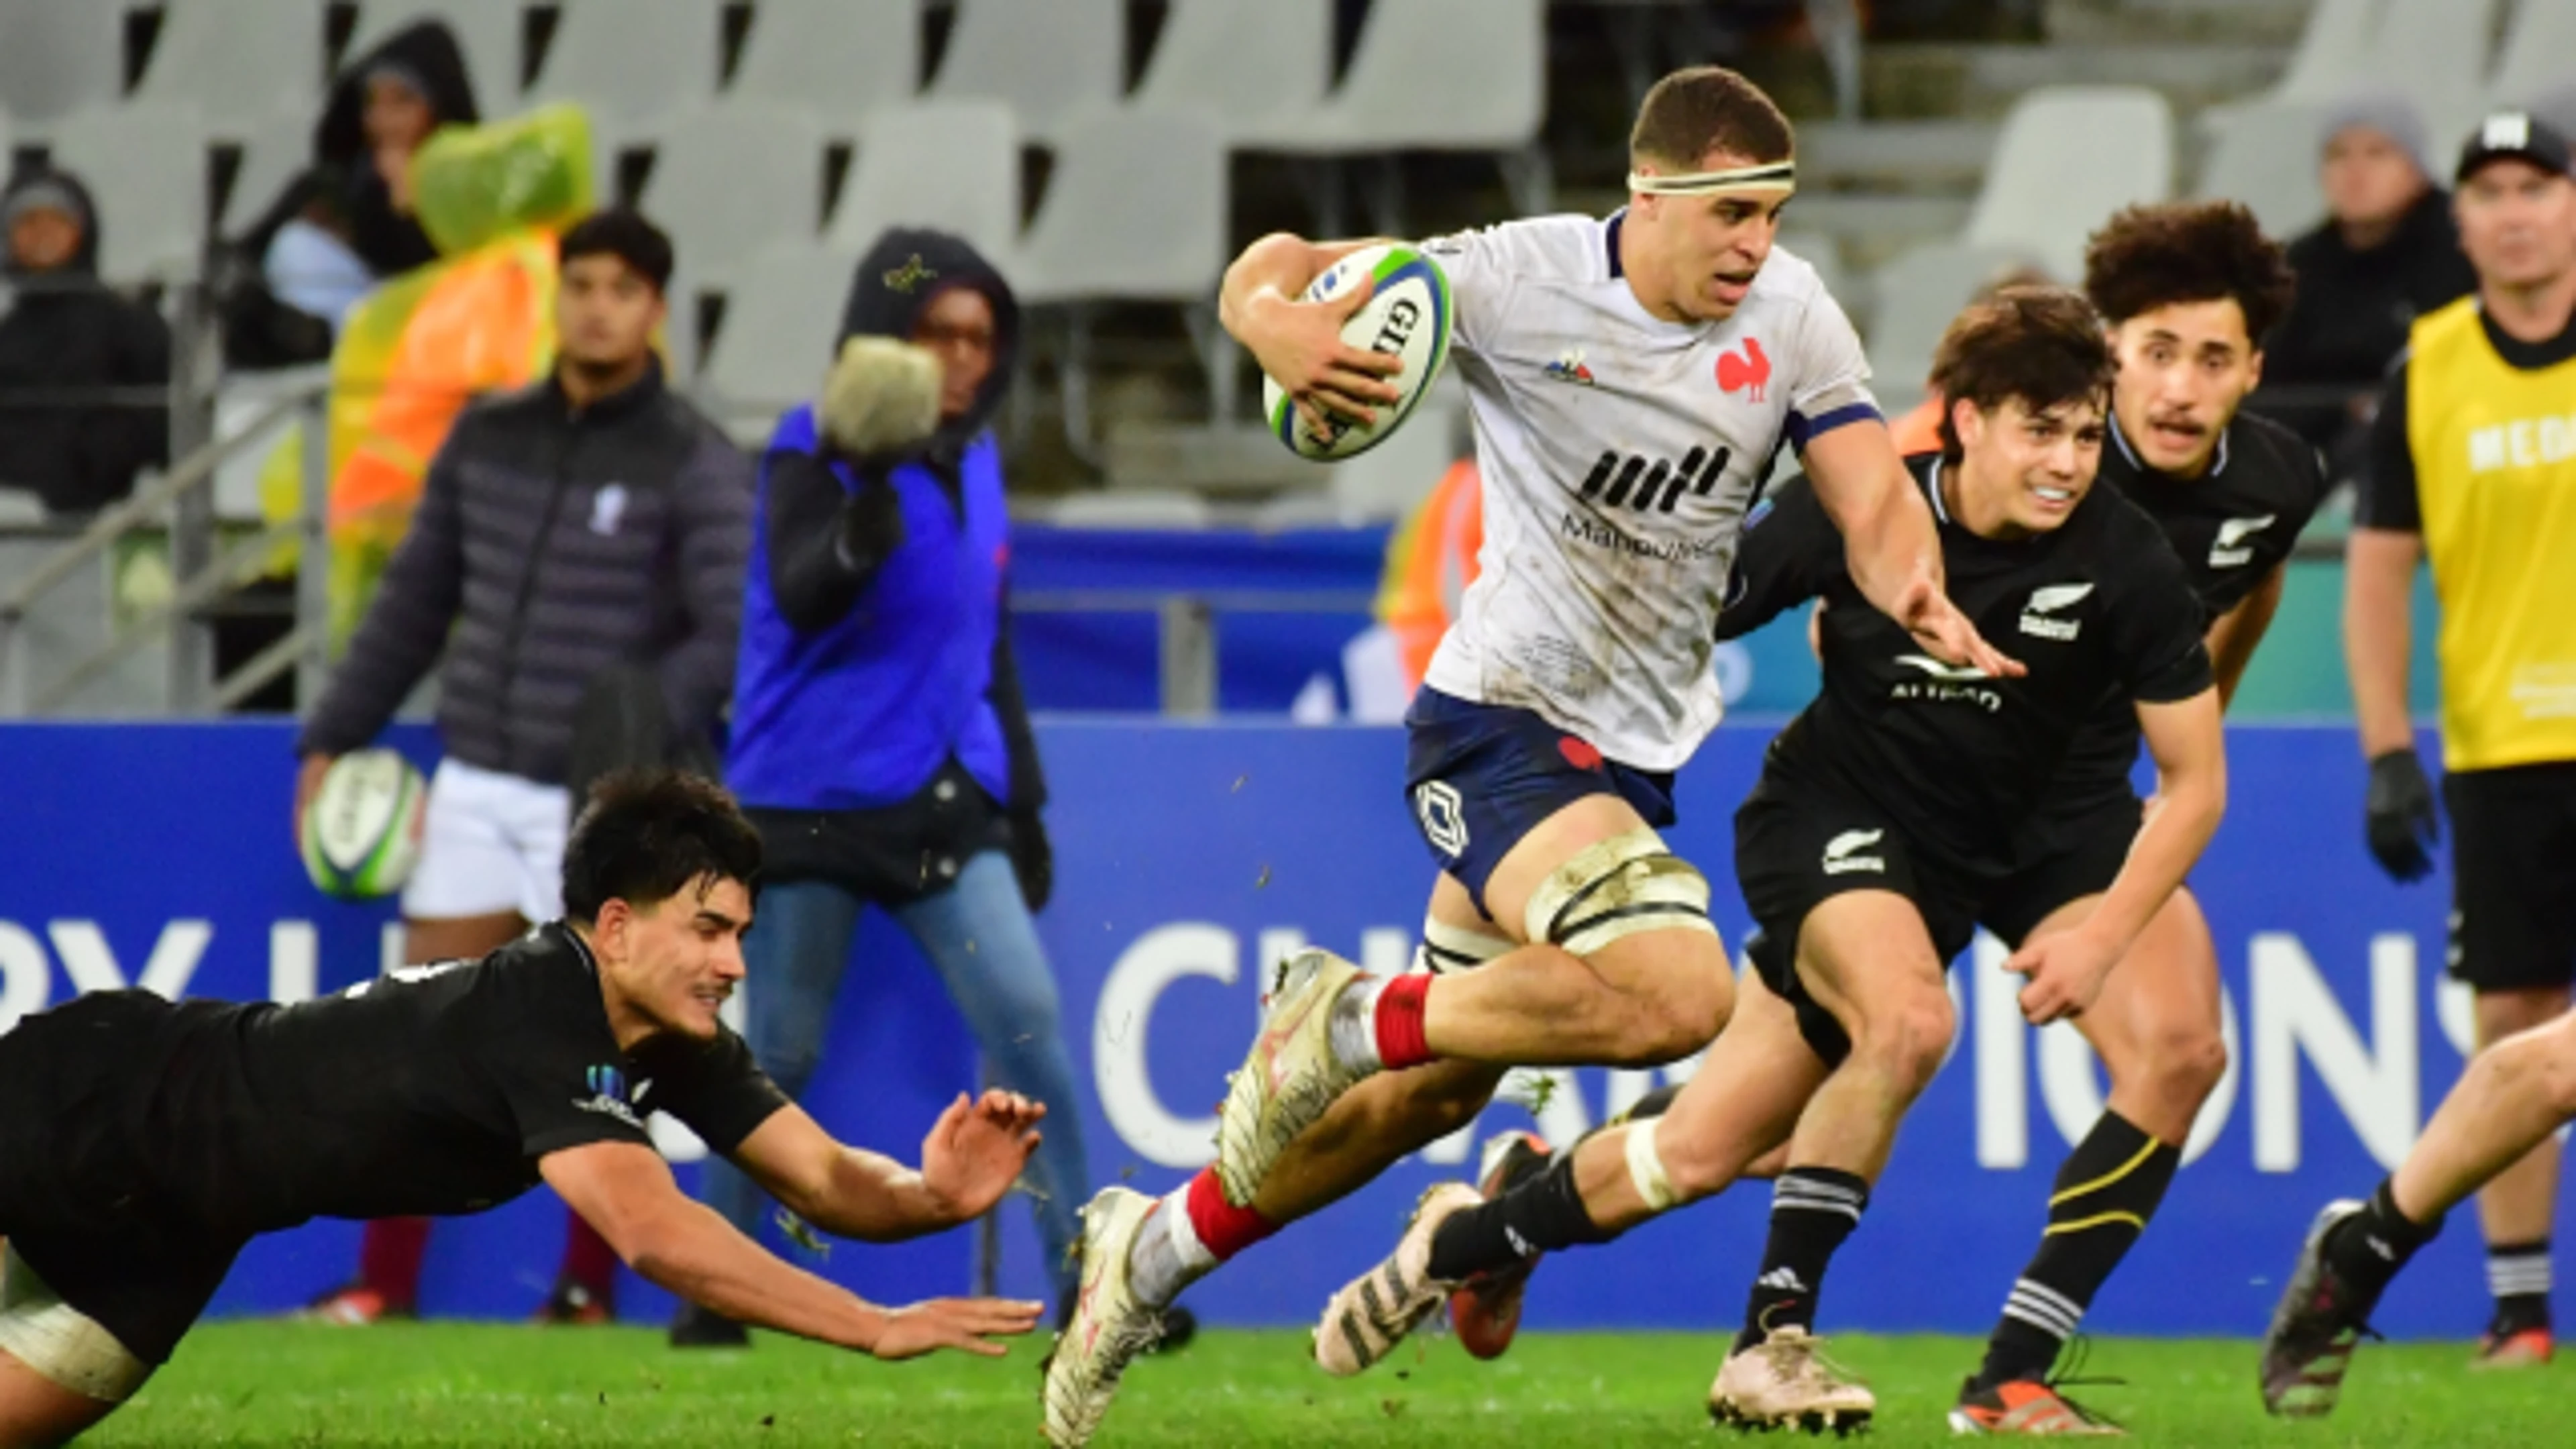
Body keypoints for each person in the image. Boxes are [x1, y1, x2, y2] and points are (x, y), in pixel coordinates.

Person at [1042, 64, 2013, 1449]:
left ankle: (1147, 1258)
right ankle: (1337, 1019)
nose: (1757, 243)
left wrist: (1911, 579)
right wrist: (1273, 332)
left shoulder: (1790, 313)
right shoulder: (1513, 277)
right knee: (1675, 991)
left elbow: (1866, 484)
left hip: (1632, 753)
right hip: (1502, 713)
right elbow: (1275, 265)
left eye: (1773, 214)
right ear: (1650, 195)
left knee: (1424, 1098)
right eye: (1733, 212)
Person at [1312, 287, 2226, 1434]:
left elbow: (2197, 783)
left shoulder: (2127, 560)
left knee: (1702, 1151)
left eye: (2088, 433)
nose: (2069, 461)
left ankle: (1463, 1240)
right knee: (1908, 1023)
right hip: (1834, 819)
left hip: (2005, 846)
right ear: (1965, 421)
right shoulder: (1862, 508)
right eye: (2041, 429)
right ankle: (1772, 1344)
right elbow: (1672, 621)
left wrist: (2099, 935)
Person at [0, 770, 1049, 1449]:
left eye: (740, 933)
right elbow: (652, 1232)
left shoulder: (675, 1041)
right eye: (708, 931)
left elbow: (821, 1177)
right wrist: (872, 1324)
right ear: (619, 926)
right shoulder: (545, 1009)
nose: (734, 962)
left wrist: (932, 1197)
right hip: (95, 1103)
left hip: (182, 1231)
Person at [292, 209, 754, 1327]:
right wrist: (335, 732)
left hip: (596, 809)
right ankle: (378, 1289)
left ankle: (586, 1293)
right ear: (561, 297)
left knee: (600, 1056)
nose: (598, 305)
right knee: (410, 1035)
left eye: (621, 288)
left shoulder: (692, 456)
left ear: (655, 308)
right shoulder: (486, 435)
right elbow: (417, 597)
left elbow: (730, 629)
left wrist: (644, 721)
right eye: (581, 283)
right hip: (476, 779)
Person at [674, 227, 1092, 1349]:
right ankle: (719, 1295)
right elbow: (806, 599)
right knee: (779, 1057)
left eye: (980, 335)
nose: (961, 356)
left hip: (943, 799)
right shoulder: (812, 451)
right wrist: (858, 527)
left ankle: (1094, 1289)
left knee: (1032, 1027)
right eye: (934, 332)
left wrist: (1028, 801)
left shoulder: (979, 460)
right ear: (881, 340)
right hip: (808, 796)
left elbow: (985, 643)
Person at [2339, 111, 2576, 1370]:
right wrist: (2388, 751)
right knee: (2517, 1030)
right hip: (2500, 750)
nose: (2515, 210)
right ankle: (2522, 1312)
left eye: (2538, 184)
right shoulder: (2430, 367)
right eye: (2489, 190)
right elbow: (2377, 577)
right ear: (2462, 219)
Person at [2255, 94, 2476, 472]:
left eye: (2377, 154)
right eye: (2338, 155)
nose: (2355, 172)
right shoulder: (2299, 264)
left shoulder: (2465, 250)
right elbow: (2272, 381)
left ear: (2417, 167)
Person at [0, 167, 170, 516]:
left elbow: (168, 417)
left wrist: (103, 454)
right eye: (29, 224)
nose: (42, 236)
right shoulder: (9, 337)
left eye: (55, 223)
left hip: (118, 517)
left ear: (81, 232)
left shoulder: (127, 325)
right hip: (17, 523)